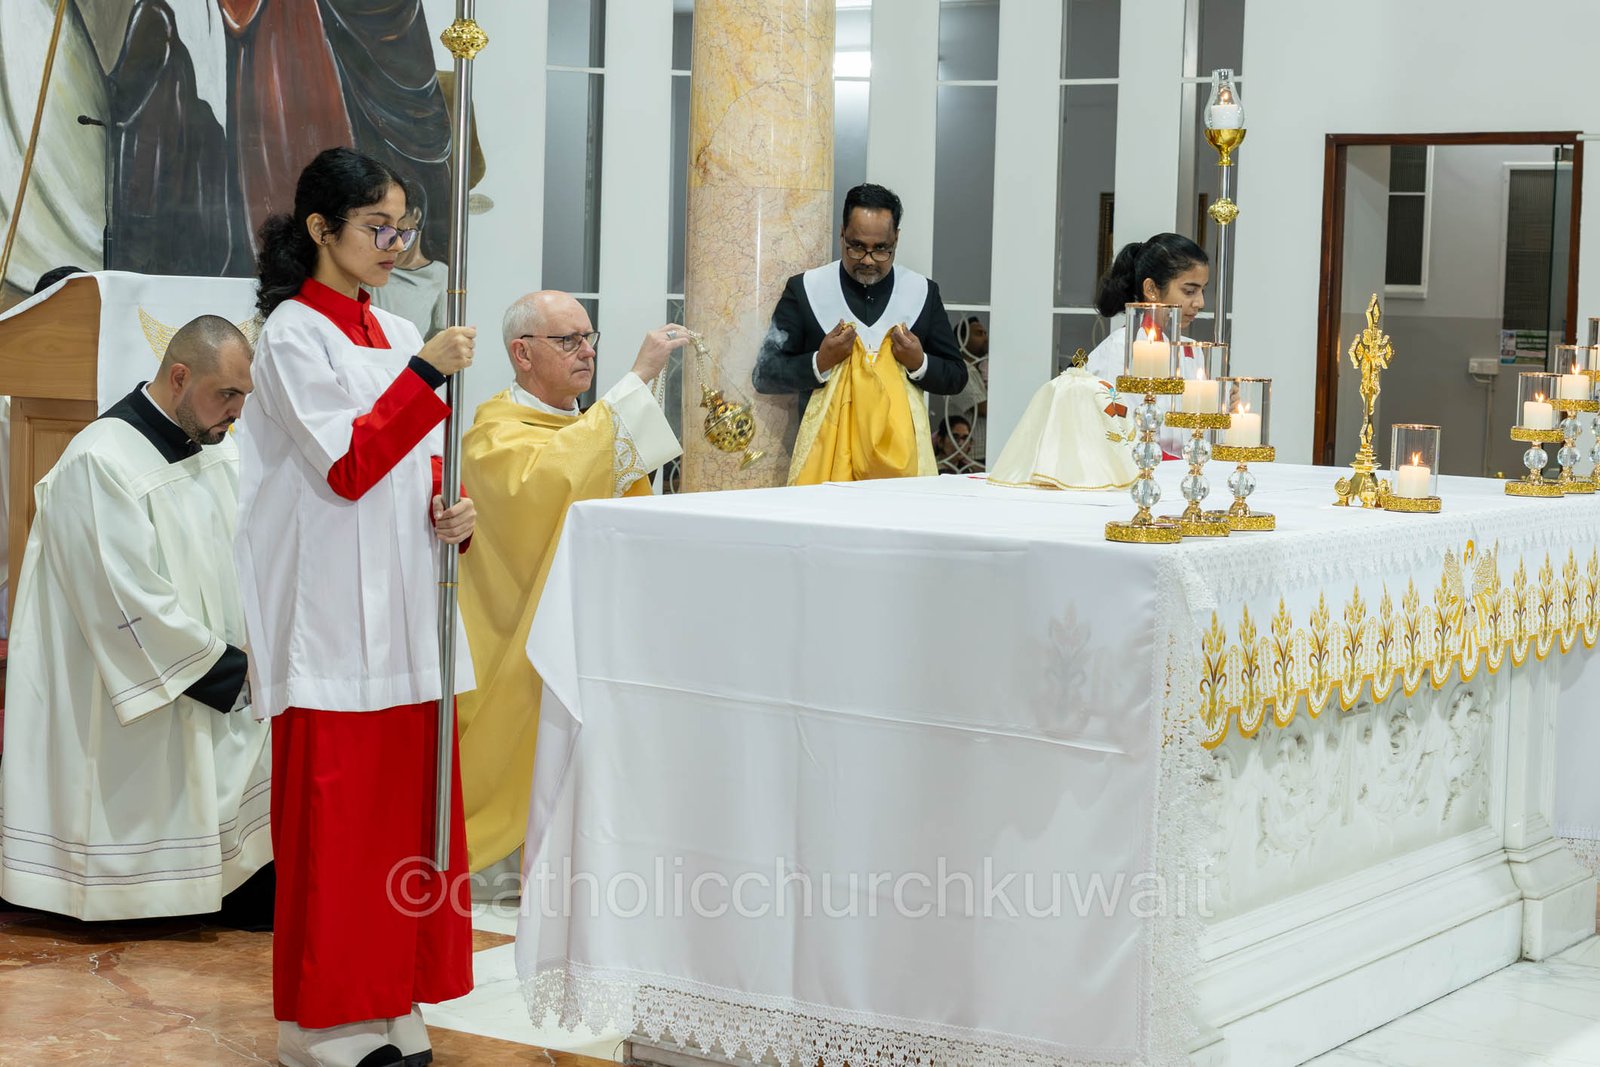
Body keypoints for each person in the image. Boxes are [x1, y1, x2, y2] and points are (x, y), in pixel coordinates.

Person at [236, 147, 477, 1067]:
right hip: (331, 618)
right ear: (320, 228)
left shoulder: (400, 328)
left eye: (403, 229)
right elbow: (345, 465)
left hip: (408, 609)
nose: (395, 245)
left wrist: (453, 510)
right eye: (378, 228)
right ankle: (321, 1022)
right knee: (339, 827)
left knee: (406, 822)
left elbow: (419, 468)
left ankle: (389, 995)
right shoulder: (291, 335)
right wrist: (425, 375)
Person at [0, 315, 270, 922]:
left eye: (243, 396)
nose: (236, 412)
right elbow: (125, 599)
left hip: (216, 682)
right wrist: (230, 671)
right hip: (140, 690)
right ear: (179, 377)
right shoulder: (99, 461)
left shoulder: (216, 448)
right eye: (226, 394)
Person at [457, 292, 685, 875]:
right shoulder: (492, 435)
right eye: (568, 340)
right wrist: (637, 379)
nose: (587, 351)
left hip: (591, 626)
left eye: (589, 337)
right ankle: (509, 858)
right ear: (522, 354)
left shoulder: (581, 426)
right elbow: (545, 483)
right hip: (515, 632)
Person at [753, 183, 967, 485]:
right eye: (856, 246)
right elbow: (764, 375)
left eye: (881, 249)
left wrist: (919, 363)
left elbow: (957, 376)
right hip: (825, 469)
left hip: (901, 474)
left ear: (896, 239)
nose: (867, 260)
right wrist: (820, 361)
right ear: (842, 234)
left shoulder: (921, 292)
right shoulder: (806, 290)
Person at [1084, 234, 1210, 459]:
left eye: (1203, 291)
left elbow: (1195, 432)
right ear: (1151, 289)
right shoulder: (1121, 349)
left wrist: (1223, 410)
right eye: (1189, 291)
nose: (1200, 303)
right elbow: (1118, 434)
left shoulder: (1192, 350)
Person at [933, 314, 989, 468]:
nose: (985, 338)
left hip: (979, 451)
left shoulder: (978, 369)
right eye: (979, 333)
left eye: (985, 333)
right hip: (968, 454)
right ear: (962, 339)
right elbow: (983, 409)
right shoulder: (961, 370)